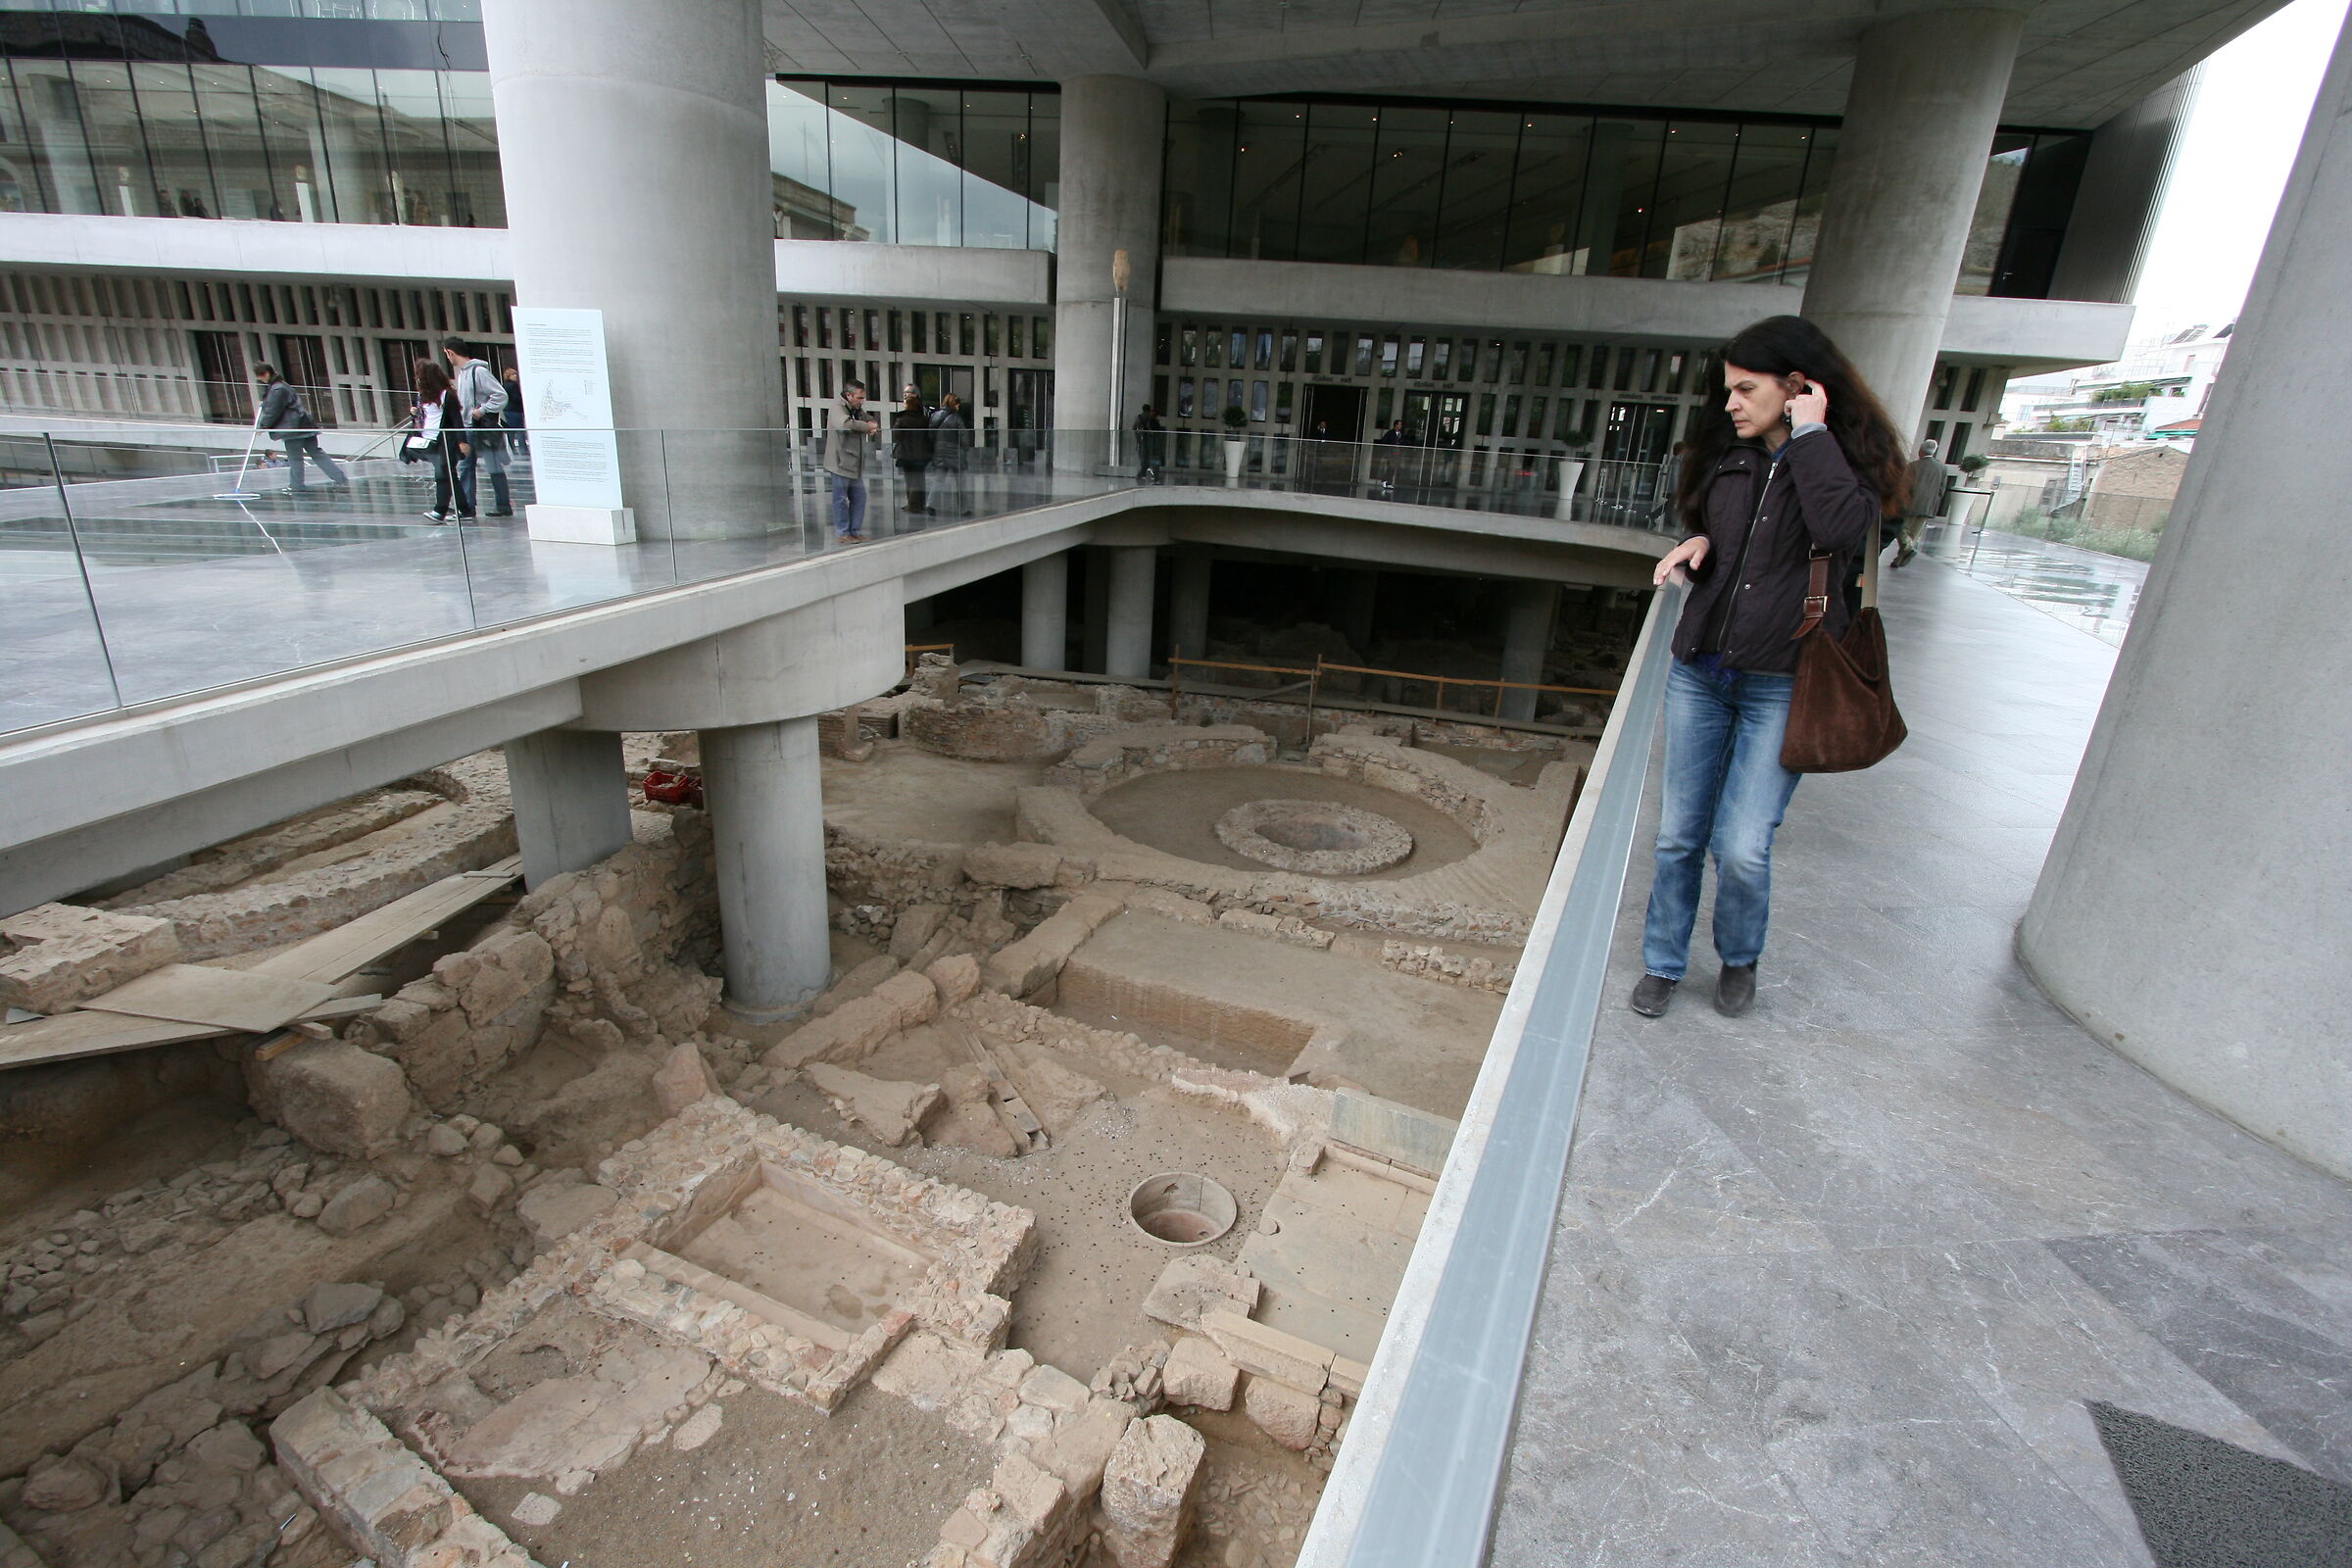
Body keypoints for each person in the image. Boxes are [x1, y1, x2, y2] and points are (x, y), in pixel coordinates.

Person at [1633, 314, 1909, 1019]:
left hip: (1784, 680)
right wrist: (1695, 542)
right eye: (1729, 389)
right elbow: (1708, 521)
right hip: (1703, 668)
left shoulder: (1841, 466)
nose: (1730, 403)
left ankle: (1738, 958)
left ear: (1798, 387)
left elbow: (1842, 532)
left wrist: (1811, 438)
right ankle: (1663, 963)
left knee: (1744, 846)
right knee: (1677, 838)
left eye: (1745, 389)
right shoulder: (1730, 455)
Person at [439, 335, 510, 517]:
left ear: (451, 352)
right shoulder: (463, 374)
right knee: (466, 466)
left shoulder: (478, 371)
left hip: (479, 427)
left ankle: (500, 505)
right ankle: (467, 506)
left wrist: (482, 410)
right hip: (469, 427)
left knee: (491, 466)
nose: (448, 358)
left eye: (447, 354)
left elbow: (500, 395)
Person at [252, 363, 346, 495]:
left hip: (293, 428)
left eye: (260, 376)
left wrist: (262, 426)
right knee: (317, 453)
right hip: (304, 425)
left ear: (266, 374)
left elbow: (274, 410)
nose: (260, 379)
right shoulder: (282, 385)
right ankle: (340, 478)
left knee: (295, 458)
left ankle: (296, 485)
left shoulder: (276, 389)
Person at [412, 361, 470, 524]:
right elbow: (422, 417)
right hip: (430, 439)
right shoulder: (423, 396)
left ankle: (440, 510)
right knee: (449, 475)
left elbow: (456, 419)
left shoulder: (447, 395)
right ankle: (464, 509)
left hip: (445, 439)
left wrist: (462, 442)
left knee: (443, 474)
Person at [822, 380, 880, 542]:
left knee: (859, 497)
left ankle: (855, 530)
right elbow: (844, 424)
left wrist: (872, 424)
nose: (861, 401)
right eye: (859, 398)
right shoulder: (837, 409)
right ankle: (843, 533)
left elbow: (868, 420)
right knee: (840, 499)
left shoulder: (856, 409)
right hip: (840, 463)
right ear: (848, 395)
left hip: (854, 462)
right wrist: (867, 427)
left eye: (863, 398)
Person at [1889, 437, 1953, 568]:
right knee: (1914, 533)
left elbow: (1904, 485)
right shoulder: (1942, 468)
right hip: (1928, 506)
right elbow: (1942, 488)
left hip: (1910, 503)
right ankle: (1900, 559)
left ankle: (1907, 549)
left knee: (1901, 529)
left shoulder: (1913, 466)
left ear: (1920, 451)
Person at [891, 389, 934, 517]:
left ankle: (913, 505)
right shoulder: (924, 419)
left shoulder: (902, 419)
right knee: (919, 479)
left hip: (907, 454)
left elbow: (896, 436)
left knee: (910, 480)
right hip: (922, 453)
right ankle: (918, 503)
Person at [927, 392, 971, 516]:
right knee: (960, 483)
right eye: (958, 405)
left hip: (940, 452)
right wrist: (965, 448)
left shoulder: (935, 416)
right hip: (955, 454)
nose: (959, 407)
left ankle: (930, 504)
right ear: (955, 404)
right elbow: (964, 438)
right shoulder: (957, 418)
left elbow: (931, 435)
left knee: (938, 480)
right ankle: (963, 509)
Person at [1374, 417, 1411, 493]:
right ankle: (1384, 480)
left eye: (1401, 424)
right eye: (1399, 424)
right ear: (1396, 425)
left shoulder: (1401, 434)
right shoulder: (1390, 433)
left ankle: (1389, 482)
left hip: (1397, 454)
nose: (1400, 426)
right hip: (1390, 454)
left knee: (1393, 469)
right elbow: (1384, 441)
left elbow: (1404, 442)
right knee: (1390, 468)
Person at [499, 364, 528, 460]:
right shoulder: (513, 386)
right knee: (520, 430)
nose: (516, 376)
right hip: (515, 410)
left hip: (508, 410)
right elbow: (517, 398)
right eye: (513, 374)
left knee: (512, 431)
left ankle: (513, 449)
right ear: (509, 376)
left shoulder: (505, 386)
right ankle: (523, 449)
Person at [1134, 404, 1167, 482]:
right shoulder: (1148, 420)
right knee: (1150, 461)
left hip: (1145, 443)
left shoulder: (1140, 419)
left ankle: (1143, 475)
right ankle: (1150, 476)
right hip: (1150, 444)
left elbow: (1136, 429)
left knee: (1146, 460)